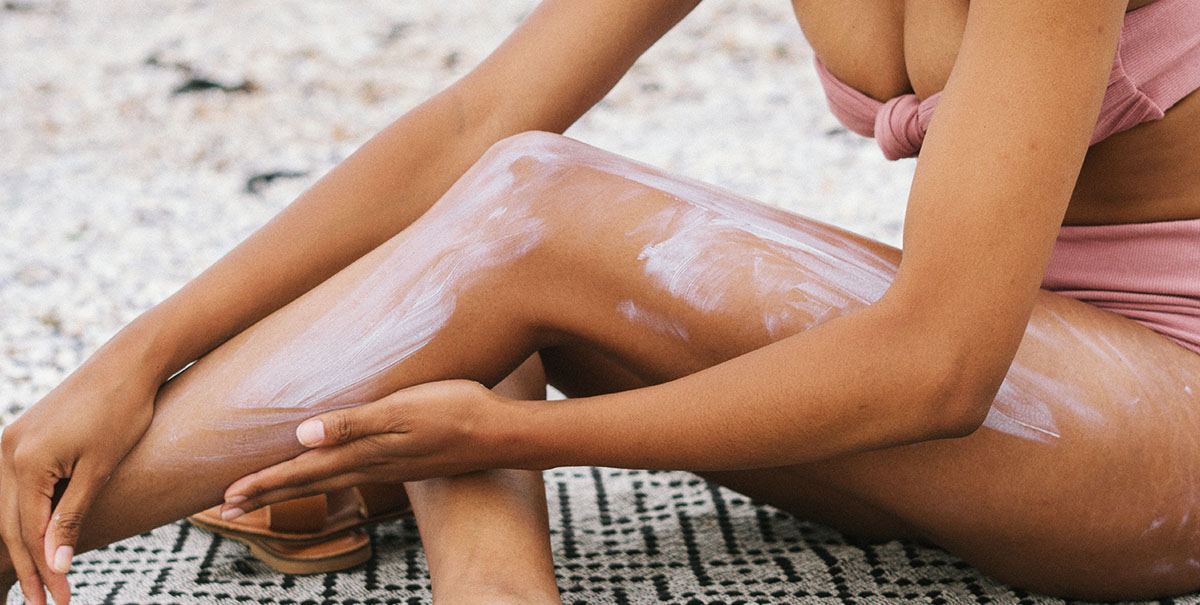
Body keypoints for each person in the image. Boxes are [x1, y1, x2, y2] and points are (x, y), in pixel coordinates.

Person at [3, 0, 1200, 602]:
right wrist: (134, 349)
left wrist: (529, 437)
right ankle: (497, 590)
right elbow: (480, 117)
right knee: (477, 245)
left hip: (1153, 434)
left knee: (539, 217)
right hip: (1020, 372)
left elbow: (941, 363)